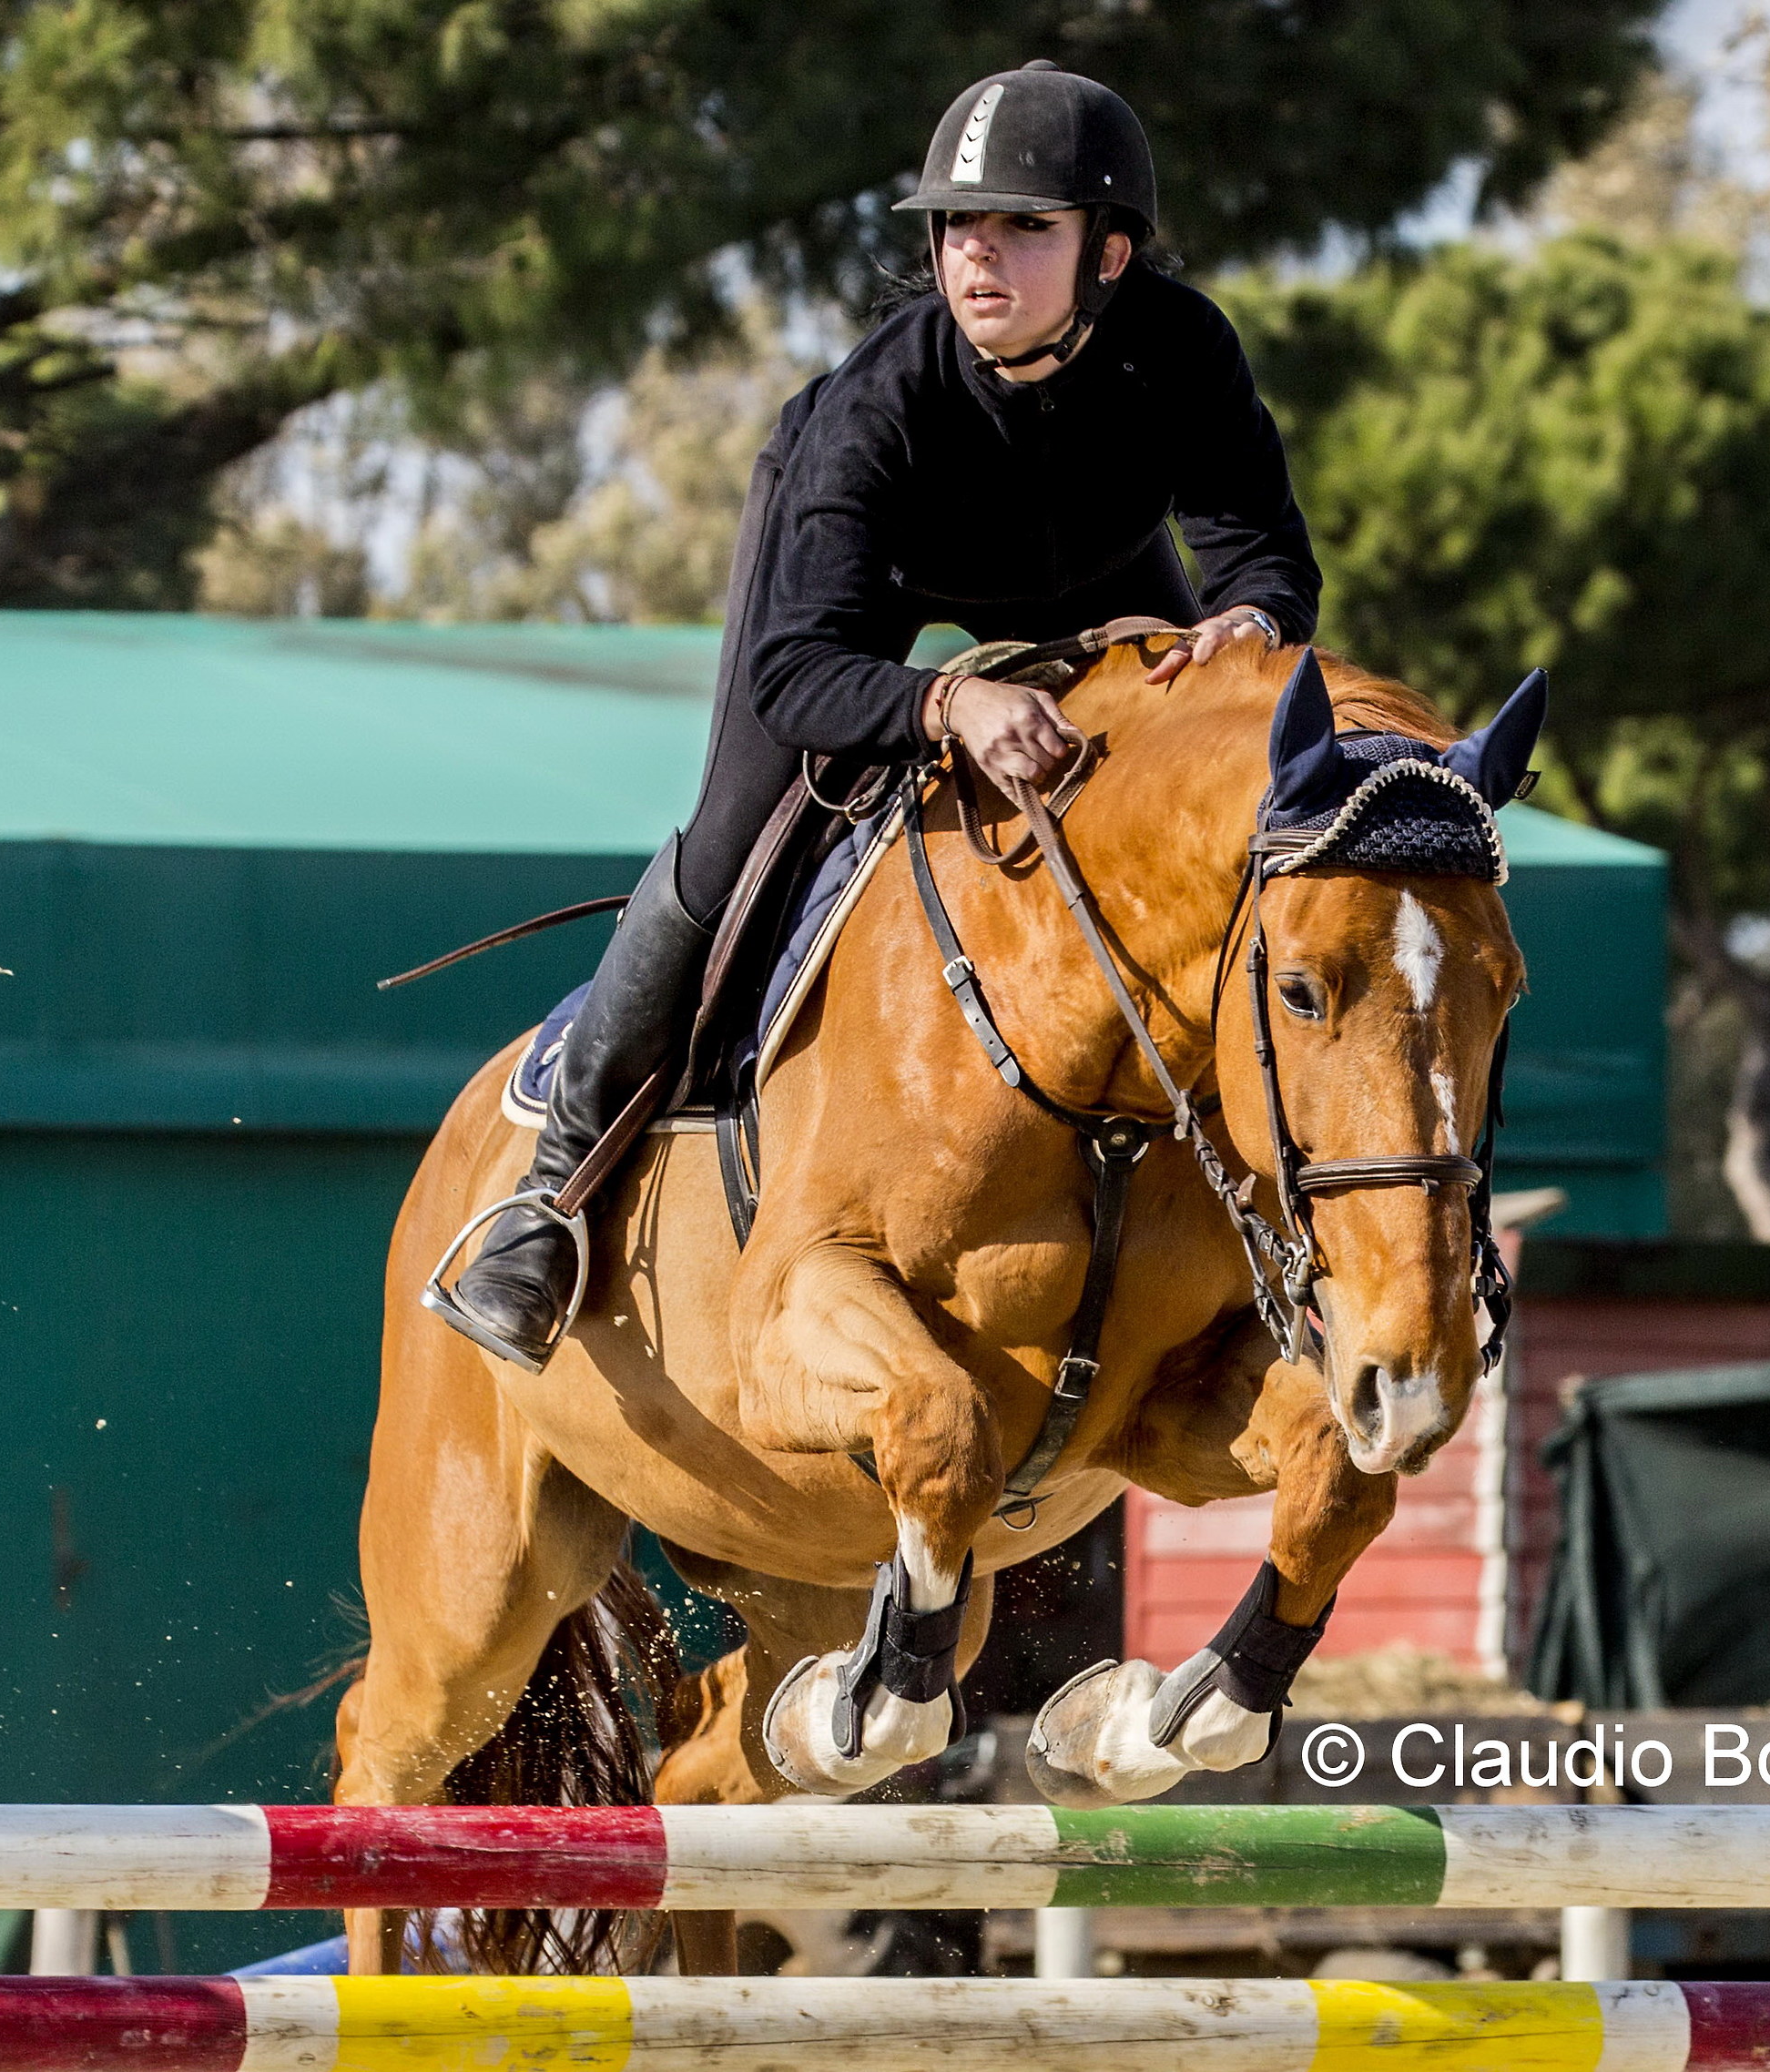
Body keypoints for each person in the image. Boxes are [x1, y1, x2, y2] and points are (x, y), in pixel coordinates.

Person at [429, 58, 1324, 1371]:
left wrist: (1244, 624)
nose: (979, 258)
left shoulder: (1182, 346)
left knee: (1214, 789)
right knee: (732, 839)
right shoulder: (879, 403)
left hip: (1095, 562)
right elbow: (798, 672)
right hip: (868, 603)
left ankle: (1276, 1208)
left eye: (1027, 227)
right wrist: (951, 700)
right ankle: (549, 1193)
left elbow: (1265, 557)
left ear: (1113, 252)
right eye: (960, 227)